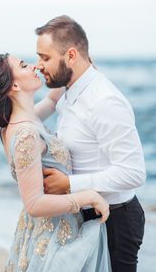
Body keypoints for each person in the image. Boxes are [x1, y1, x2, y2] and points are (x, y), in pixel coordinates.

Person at [0, 53, 111, 272]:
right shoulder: (25, 134)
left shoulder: (22, 121)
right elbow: (34, 204)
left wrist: (74, 63)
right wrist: (88, 196)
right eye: (24, 65)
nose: (35, 66)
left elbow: (53, 100)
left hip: (49, 227)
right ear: (15, 85)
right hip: (52, 235)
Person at [35, 15, 146, 272]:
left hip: (114, 220)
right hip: (83, 215)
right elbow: (48, 107)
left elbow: (133, 172)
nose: (38, 65)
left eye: (45, 57)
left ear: (71, 55)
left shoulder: (104, 101)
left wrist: (68, 184)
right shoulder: (68, 89)